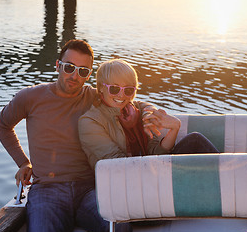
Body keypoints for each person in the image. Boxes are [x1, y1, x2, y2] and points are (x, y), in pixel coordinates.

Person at [0, 40, 164, 232]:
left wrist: (150, 113)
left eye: (83, 71)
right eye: (69, 67)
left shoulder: (95, 96)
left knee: (119, 228)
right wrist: (24, 163)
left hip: (90, 189)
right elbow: (2, 125)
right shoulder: (30, 97)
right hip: (48, 190)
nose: (74, 75)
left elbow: (133, 101)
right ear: (58, 65)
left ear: (89, 75)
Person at [78, 59, 219, 170]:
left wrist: (174, 128)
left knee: (195, 140)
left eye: (128, 90)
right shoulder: (90, 122)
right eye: (114, 88)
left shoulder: (137, 110)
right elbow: (118, 164)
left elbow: (157, 153)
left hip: (151, 171)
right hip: (124, 182)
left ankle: (229, 182)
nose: (121, 95)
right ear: (101, 87)